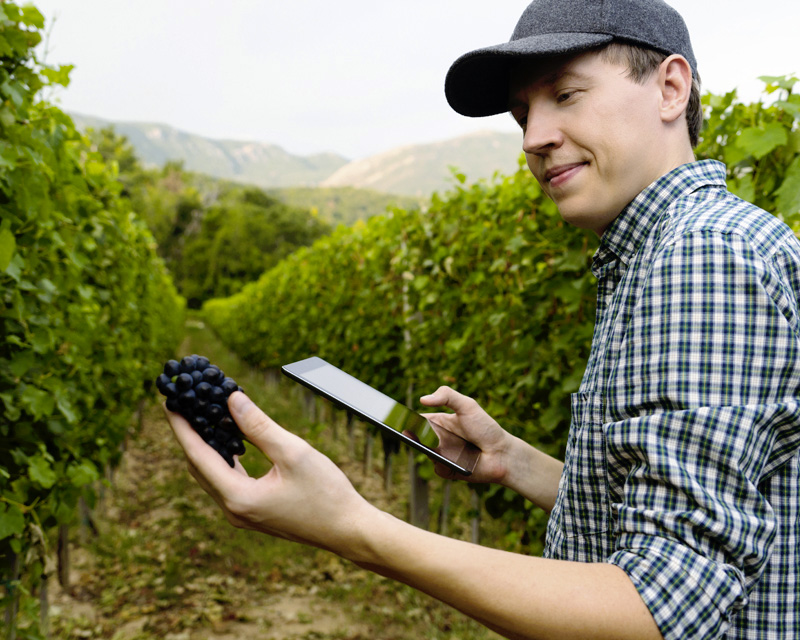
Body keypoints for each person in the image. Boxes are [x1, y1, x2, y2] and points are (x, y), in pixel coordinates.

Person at [164, 1, 800, 638]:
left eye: (566, 95)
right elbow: (685, 508)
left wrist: (353, 527)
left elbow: (658, 607)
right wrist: (511, 460)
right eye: (524, 114)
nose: (533, 138)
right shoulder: (667, 252)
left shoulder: (702, 255)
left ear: (670, 88)